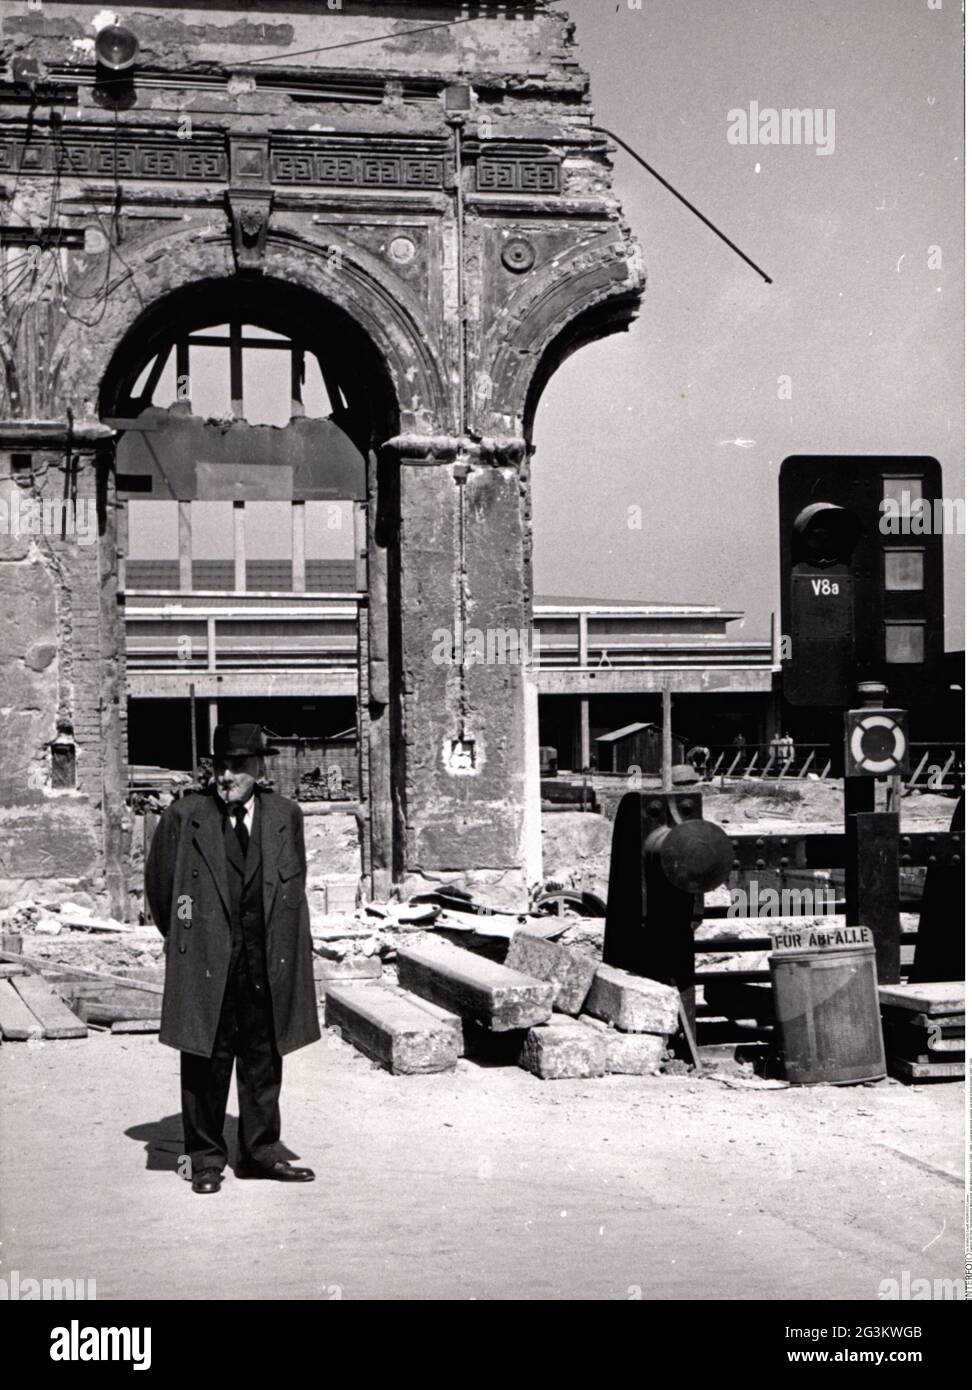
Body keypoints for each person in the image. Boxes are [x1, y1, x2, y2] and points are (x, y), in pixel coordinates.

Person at [145, 723, 320, 1194]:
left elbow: (293, 888)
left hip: (266, 960)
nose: (227, 776)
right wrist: (191, 940)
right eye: (221, 766)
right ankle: (204, 1158)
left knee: (264, 1056)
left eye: (238, 766)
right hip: (206, 960)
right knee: (206, 1057)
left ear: (258, 768)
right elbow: (162, 893)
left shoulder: (285, 815)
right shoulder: (186, 817)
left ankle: (261, 1151)